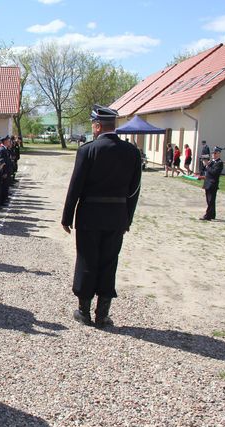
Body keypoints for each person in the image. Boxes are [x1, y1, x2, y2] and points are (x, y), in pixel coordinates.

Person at [61, 104, 142, 329]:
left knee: (87, 259)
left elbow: (75, 186)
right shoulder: (132, 152)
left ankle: (84, 311)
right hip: (116, 216)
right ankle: (102, 314)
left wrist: (67, 216)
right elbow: (134, 191)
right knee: (109, 262)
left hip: (89, 215)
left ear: (97, 126)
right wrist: (128, 218)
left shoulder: (87, 150)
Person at [200, 146, 224, 221]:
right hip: (208, 183)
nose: (213, 154)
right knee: (209, 200)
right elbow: (204, 170)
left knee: (210, 200)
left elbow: (214, 172)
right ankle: (212, 214)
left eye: (215, 153)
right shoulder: (213, 162)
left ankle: (208, 216)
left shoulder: (219, 163)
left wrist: (207, 165)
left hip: (212, 183)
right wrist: (205, 164)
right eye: (213, 153)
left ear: (219, 154)